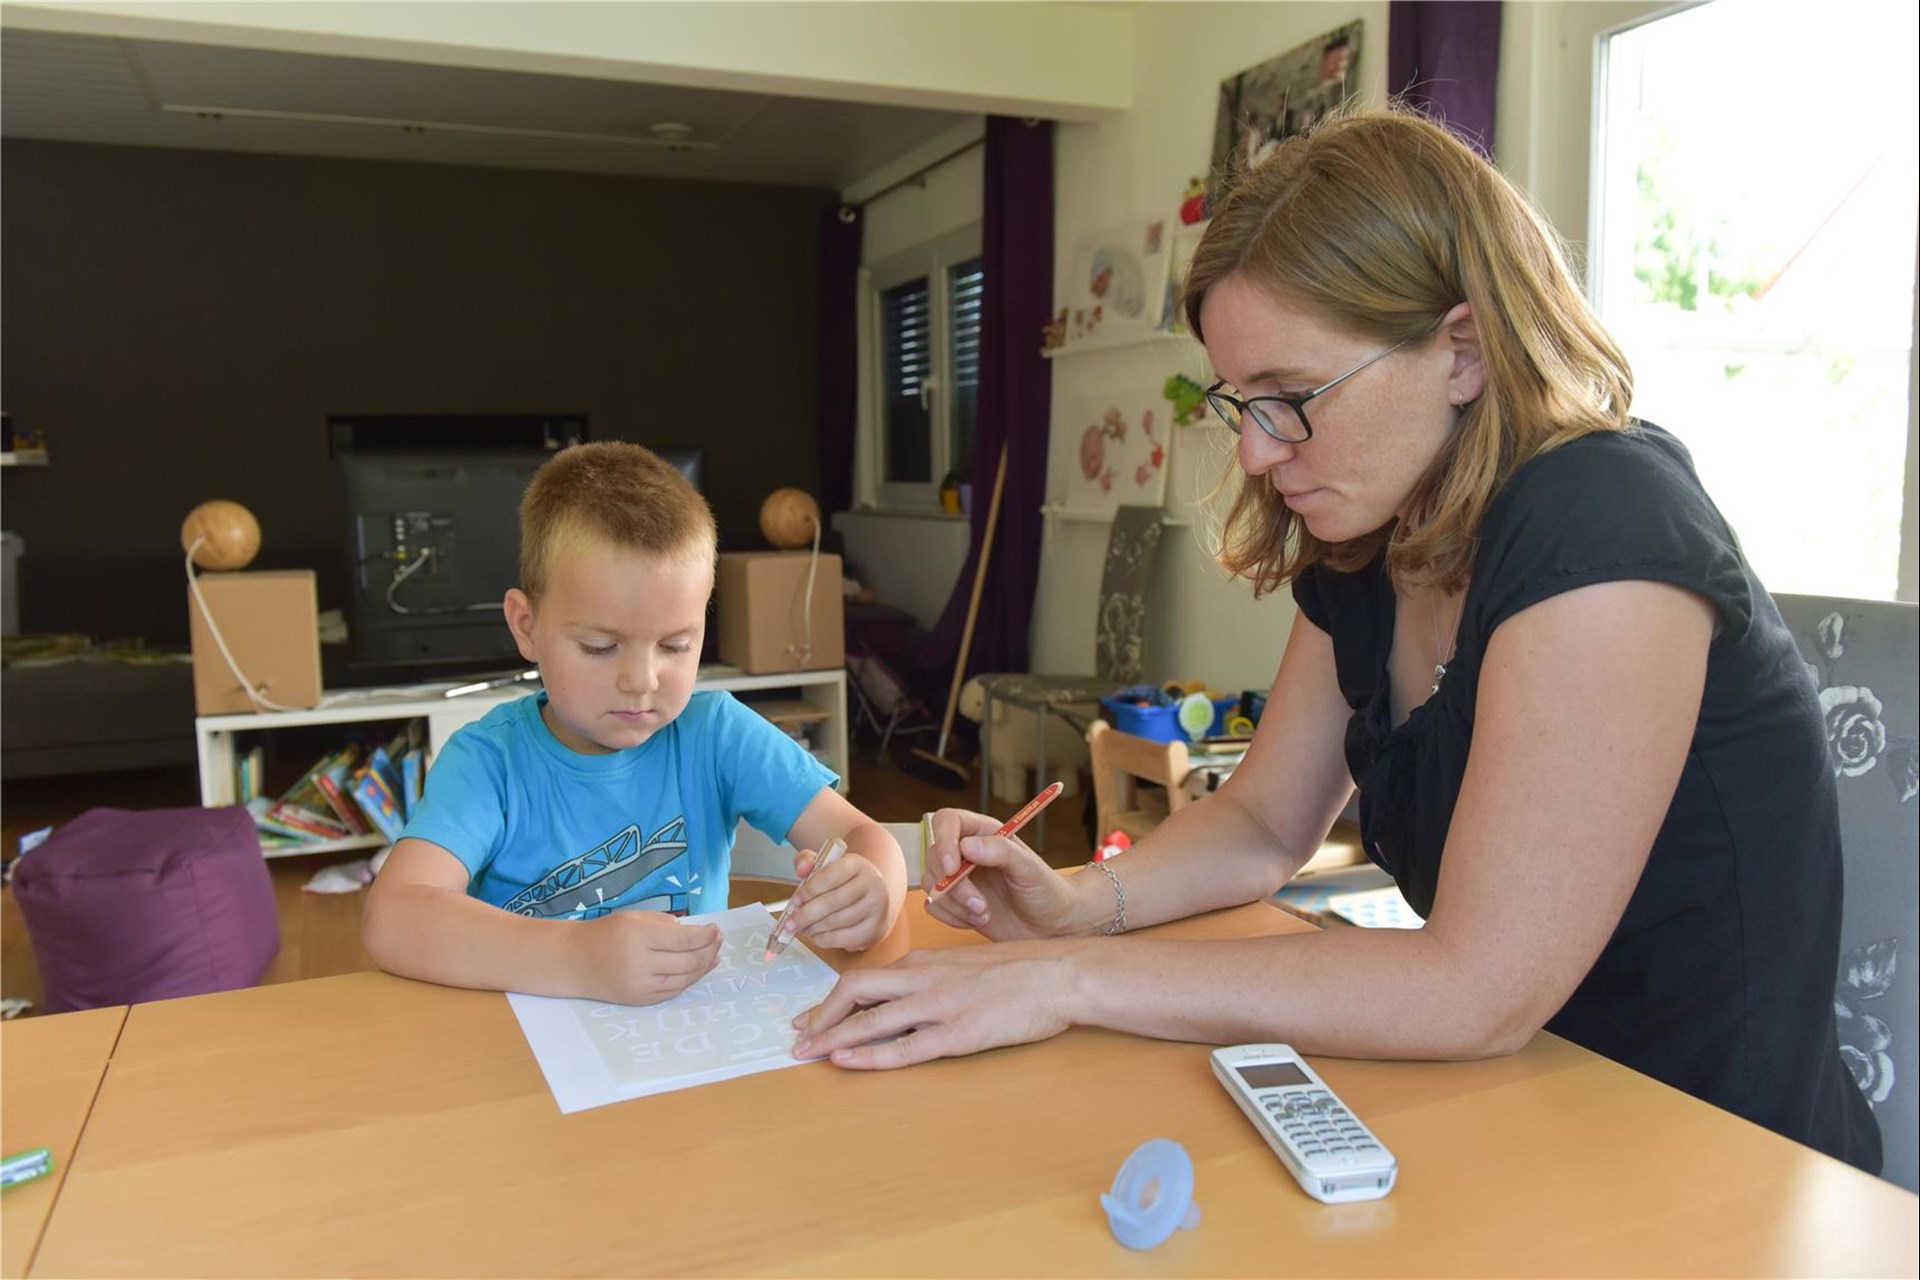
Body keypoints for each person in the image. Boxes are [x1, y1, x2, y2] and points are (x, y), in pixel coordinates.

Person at [792, 106, 1882, 1174]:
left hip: (1702, 1153)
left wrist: (1070, 977)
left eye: (1291, 396)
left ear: (1462, 349)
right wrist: (1083, 904)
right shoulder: (1377, 530)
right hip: (1510, 1100)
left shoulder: (1606, 521)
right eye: (1241, 403)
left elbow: (1478, 988)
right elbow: (1266, 821)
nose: (1260, 454)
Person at [363, 442, 906, 1005]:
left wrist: (875, 892)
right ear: (526, 626)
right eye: (600, 647)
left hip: (685, 1043)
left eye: (675, 644)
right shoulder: (487, 762)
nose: (642, 679)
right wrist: (577, 959)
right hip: (528, 1058)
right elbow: (394, 917)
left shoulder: (716, 732)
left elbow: (867, 838)